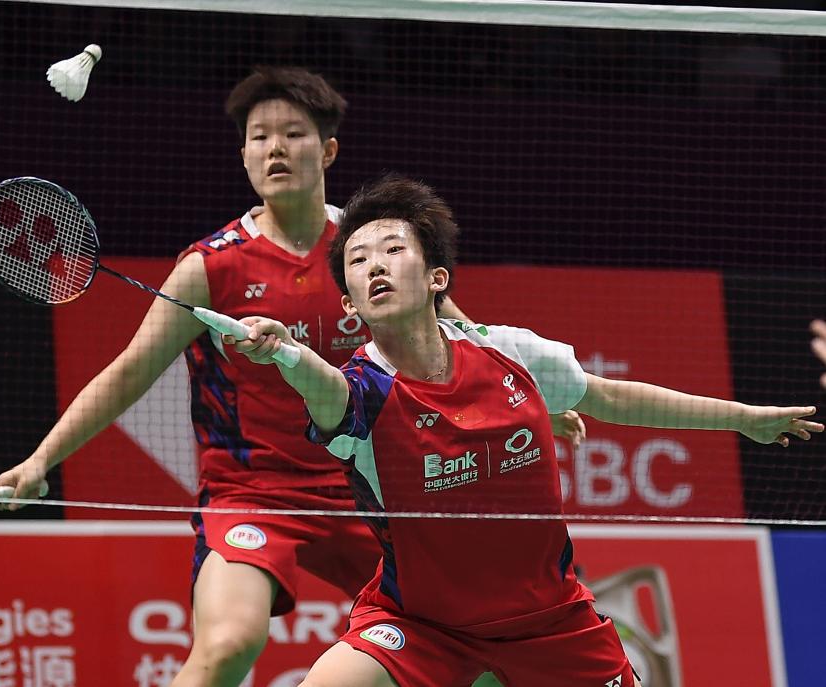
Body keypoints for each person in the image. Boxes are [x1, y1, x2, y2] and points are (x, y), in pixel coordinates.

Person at [0, 68, 574, 687]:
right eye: (259, 136)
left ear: (327, 149)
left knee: (477, 659)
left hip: (372, 490)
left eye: (293, 133)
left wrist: (526, 403)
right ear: (243, 155)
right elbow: (130, 371)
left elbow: (461, 339)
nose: (275, 148)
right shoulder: (210, 267)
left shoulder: (372, 252)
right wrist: (40, 460)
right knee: (227, 645)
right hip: (253, 491)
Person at [228, 173, 822, 687]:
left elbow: (610, 396)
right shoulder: (363, 391)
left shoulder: (509, 353)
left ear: (437, 278)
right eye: (357, 260)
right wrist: (285, 351)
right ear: (350, 306)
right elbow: (324, 387)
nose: (375, 265)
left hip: (551, 622)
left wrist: (744, 418)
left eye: (393, 249)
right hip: (422, 625)